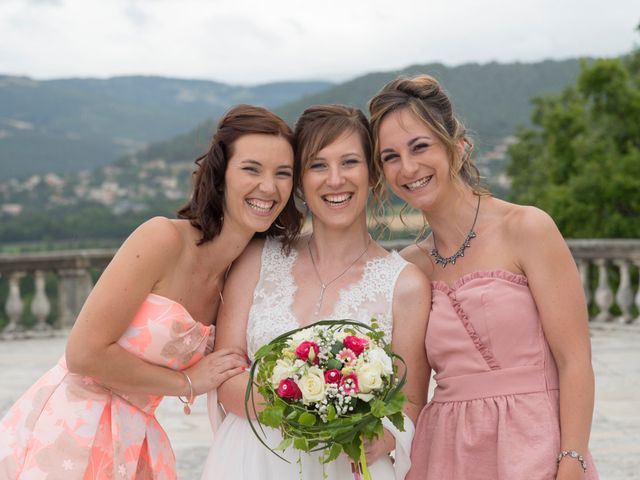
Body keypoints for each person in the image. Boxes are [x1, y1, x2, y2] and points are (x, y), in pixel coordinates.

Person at [0, 104, 302, 480]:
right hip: (70, 428)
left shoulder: (243, 275)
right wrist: (187, 383)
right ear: (221, 176)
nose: (268, 187)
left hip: (134, 438)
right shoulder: (161, 239)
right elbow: (82, 353)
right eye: (251, 169)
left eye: (283, 174)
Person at [368, 75, 599, 480]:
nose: (408, 167)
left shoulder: (527, 228)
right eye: (390, 156)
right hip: (444, 455)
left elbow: (575, 359)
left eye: (420, 146)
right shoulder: (409, 267)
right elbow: (412, 396)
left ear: (457, 146)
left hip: (535, 448)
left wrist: (572, 460)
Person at [200, 104, 430, 480]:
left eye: (350, 162)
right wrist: (310, 403)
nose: (335, 179)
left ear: (372, 174)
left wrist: (385, 439)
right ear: (300, 182)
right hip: (253, 462)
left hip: (348, 466)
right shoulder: (257, 260)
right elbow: (226, 376)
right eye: (318, 165)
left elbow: (412, 403)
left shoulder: (405, 284)